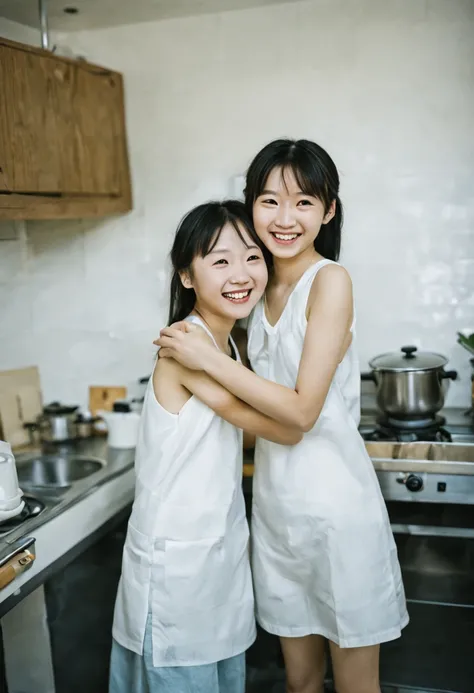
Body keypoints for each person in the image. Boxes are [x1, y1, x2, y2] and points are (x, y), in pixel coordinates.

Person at [155, 139, 409, 693]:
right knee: (298, 685)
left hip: (338, 514)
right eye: (269, 202)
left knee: (356, 688)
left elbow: (301, 411)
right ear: (250, 207)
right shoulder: (256, 283)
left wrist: (207, 367)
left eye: (304, 203)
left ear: (329, 210)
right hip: (276, 514)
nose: (285, 219)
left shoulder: (331, 281)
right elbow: (257, 406)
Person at [109, 200, 302, 693]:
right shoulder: (184, 349)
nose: (241, 274)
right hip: (176, 573)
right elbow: (281, 427)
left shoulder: (225, 346)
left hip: (216, 561)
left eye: (252, 257)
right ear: (187, 277)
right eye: (220, 261)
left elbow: (253, 426)